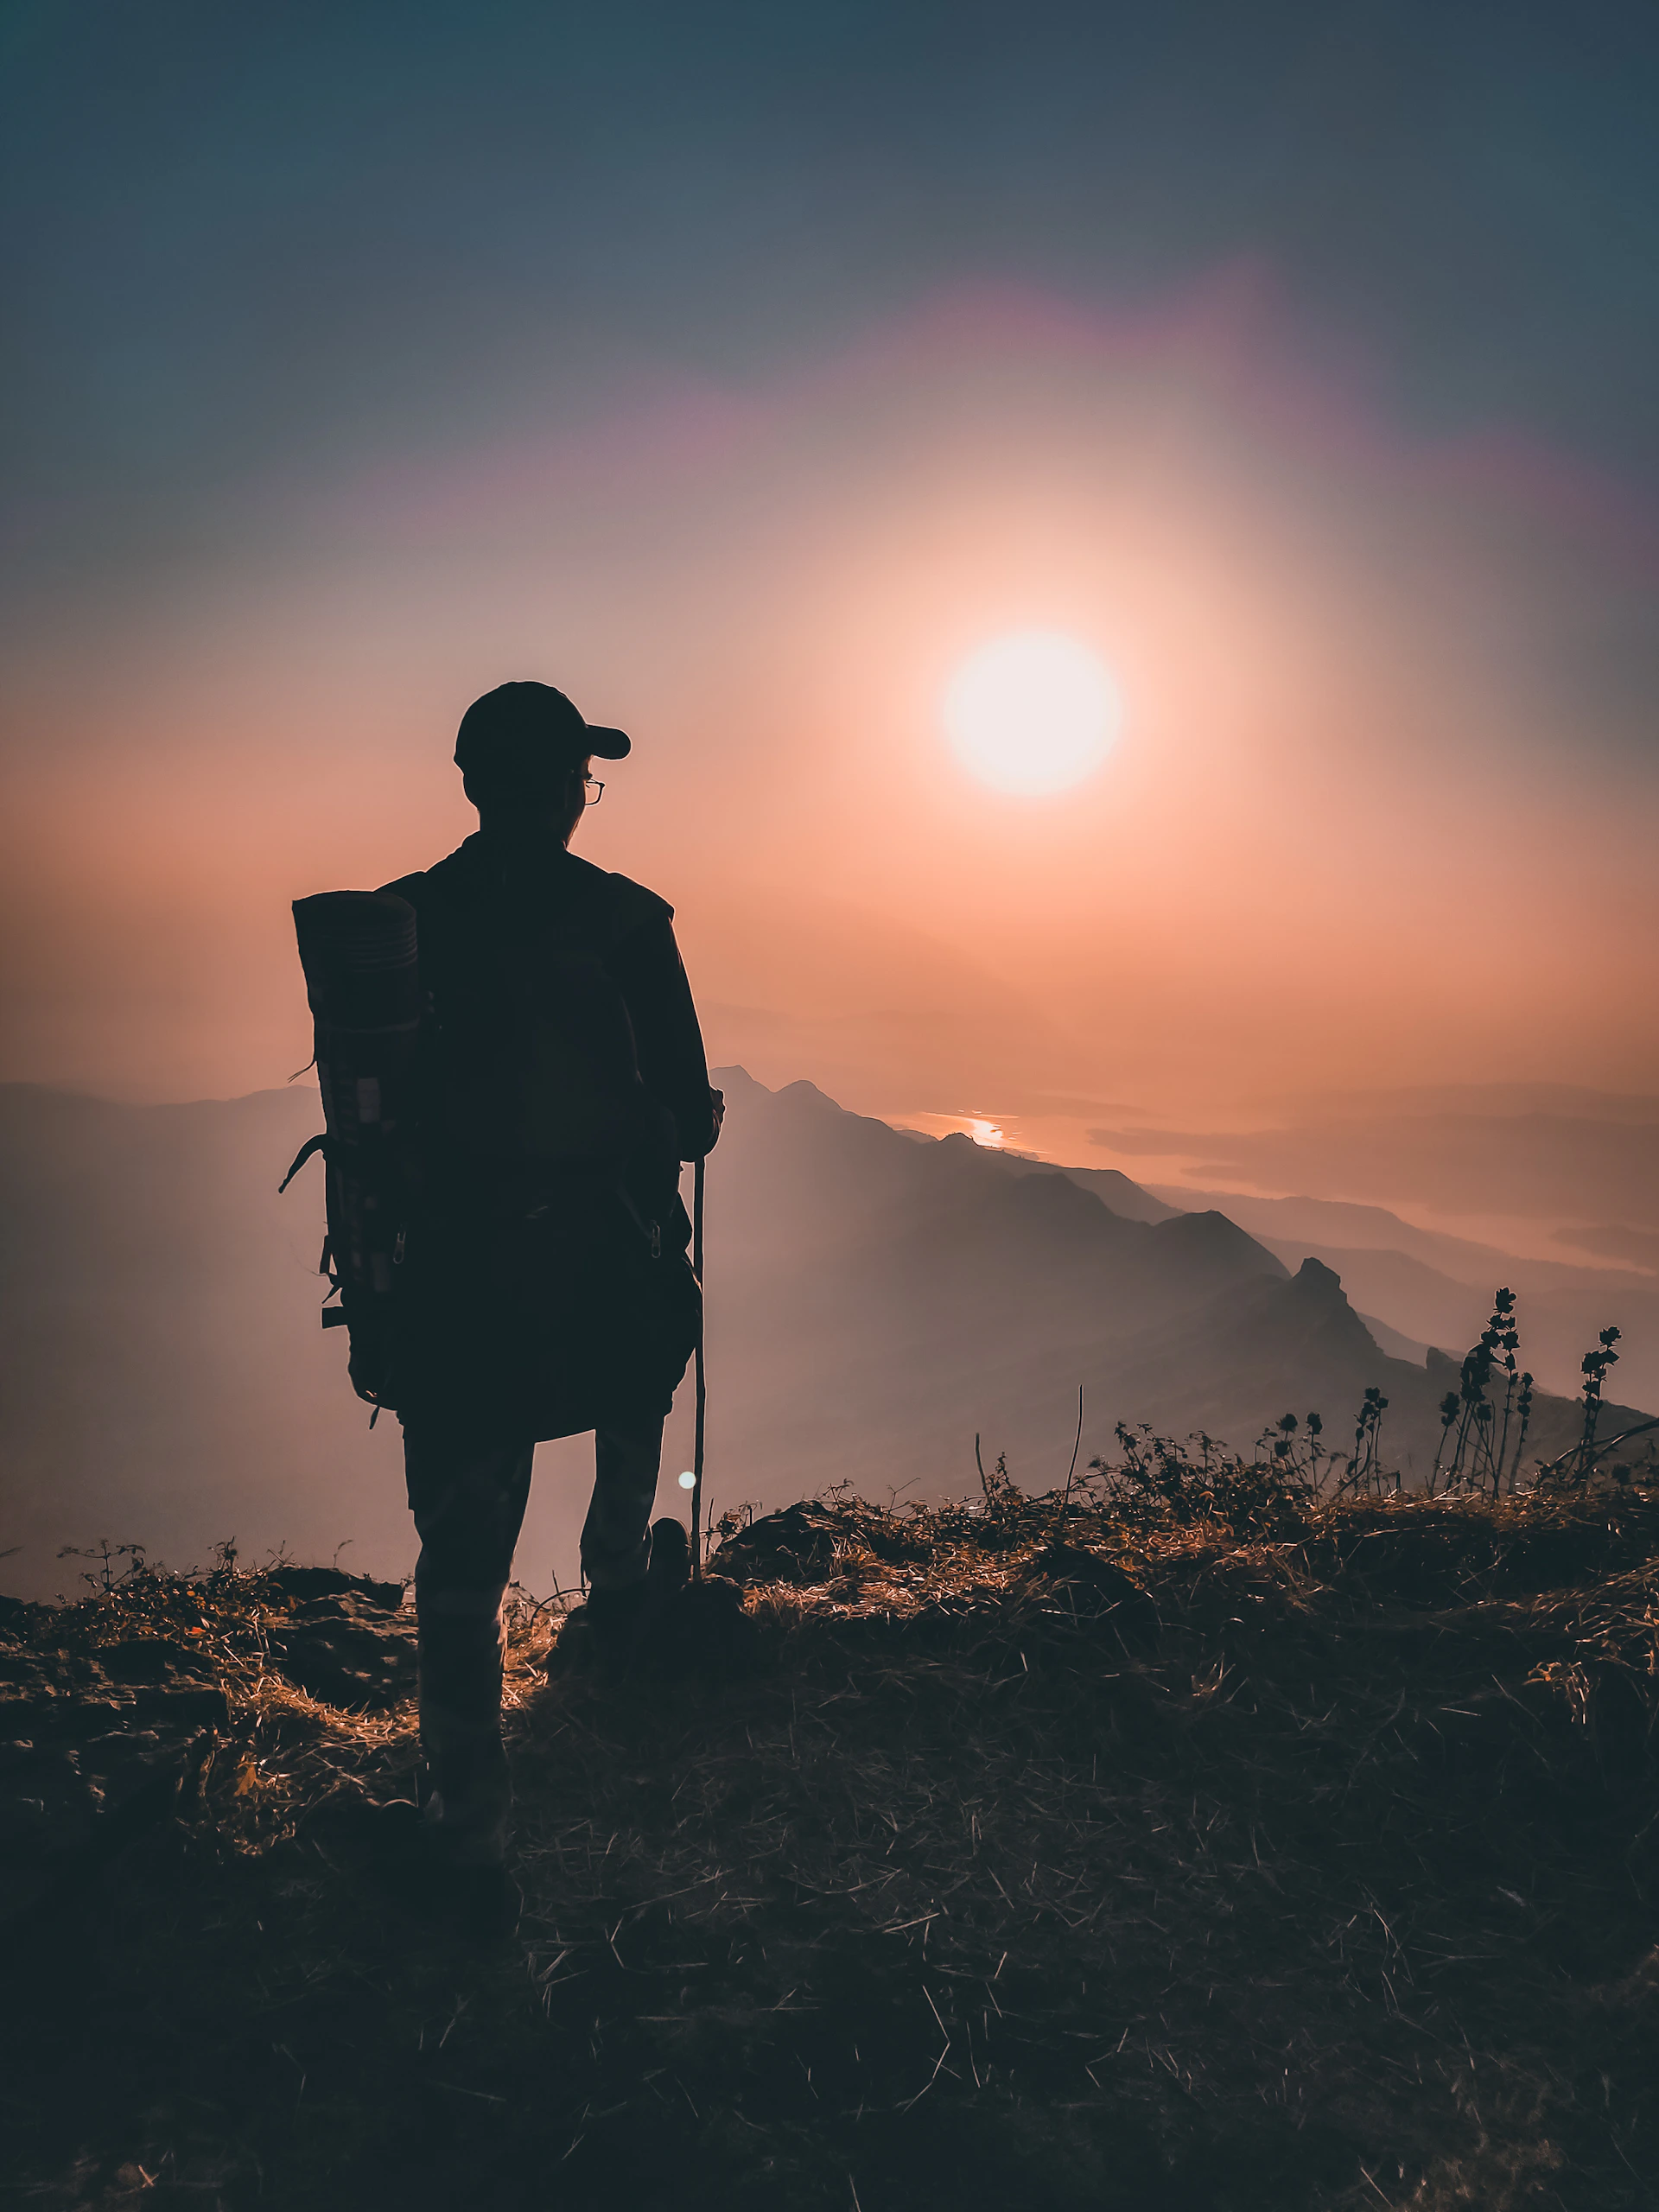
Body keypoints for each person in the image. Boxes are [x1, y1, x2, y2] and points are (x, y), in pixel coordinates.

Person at [379, 680, 721, 1919]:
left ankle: (465, 1825)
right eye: (582, 776)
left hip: (460, 1289)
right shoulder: (626, 924)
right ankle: (618, 1588)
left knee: (463, 1555)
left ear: (473, 782)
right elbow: (682, 1111)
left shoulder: (404, 925)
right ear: (569, 789)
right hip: (600, 1269)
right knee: (643, 1381)